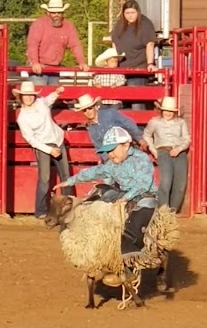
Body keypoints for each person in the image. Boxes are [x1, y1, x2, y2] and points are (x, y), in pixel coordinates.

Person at [54, 125, 158, 257]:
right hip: (124, 194)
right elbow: (95, 172)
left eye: (113, 149)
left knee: (143, 208)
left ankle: (132, 245)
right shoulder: (111, 164)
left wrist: (127, 197)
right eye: (107, 151)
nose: (110, 154)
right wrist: (70, 181)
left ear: (126, 145)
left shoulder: (141, 159)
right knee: (101, 196)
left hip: (144, 195)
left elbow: (143, 183)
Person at [14, 80, 74, 219]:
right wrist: (49, 150)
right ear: (21, 97)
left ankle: (68, 208)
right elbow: (31, 140)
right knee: (45, 178)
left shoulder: (40, 102)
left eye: (30, 95)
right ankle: (40, 210)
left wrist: (57, 93)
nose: (29, 97)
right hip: (43, 146)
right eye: (26, 95)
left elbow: (48, 100)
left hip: (57, 140)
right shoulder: (22, 118)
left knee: (66, 176)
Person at [142, 96, 190, 212]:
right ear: (162, 110)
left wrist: (179, 149)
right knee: (166, 182)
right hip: (163, 151)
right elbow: (146, 135)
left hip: (180, 153)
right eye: (166, 110)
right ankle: (163, 211)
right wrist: (154, 150)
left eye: (171, 111)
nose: (168, 113)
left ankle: (172, 212)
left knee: (180, 185)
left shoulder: (181, 122)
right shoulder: (154, 122)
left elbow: (186, 139)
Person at [26, 0, 88, 85]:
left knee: (53, 95)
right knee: (40, 94)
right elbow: (33, 44)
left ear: (63, 13)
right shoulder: (39, 24)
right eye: (53, 12)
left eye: (59, 12)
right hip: (39, 67)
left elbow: (75, 45)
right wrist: (35, 62)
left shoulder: (69, 26)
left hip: (55, 68)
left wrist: (81, 62)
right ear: (48, 13)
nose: (56, 15)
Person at [110, 0, 157, 109]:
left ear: (138, 12)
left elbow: (150, 44)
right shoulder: (120, 24)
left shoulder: (145, 24)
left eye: (132, 13)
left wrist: (150, 63)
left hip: (138, 68)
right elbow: (114, 42)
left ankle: (139, 126)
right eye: (127, 13)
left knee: (136, 102)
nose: (130, 16)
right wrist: (113, 62)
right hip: (122, 69)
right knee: (120, 102)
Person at [71, 92, 147, 159]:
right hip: (113, 158)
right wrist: (109, 160)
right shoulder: (91, 129)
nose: (88, 112)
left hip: (126, 150)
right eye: (84, 110)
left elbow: (128, 124)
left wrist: (140, 139)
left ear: (95, 107)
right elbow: (99, 147)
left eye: (89, 108)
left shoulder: (110, 113)